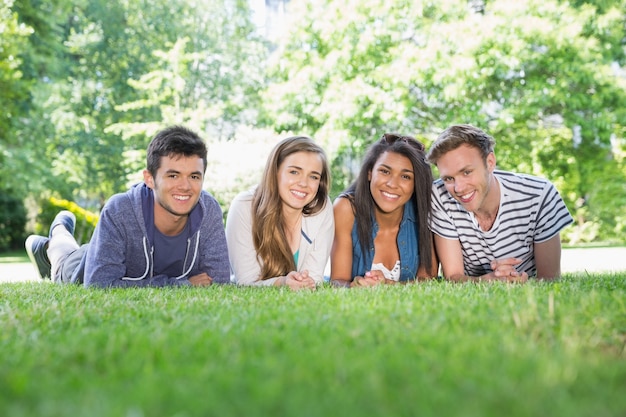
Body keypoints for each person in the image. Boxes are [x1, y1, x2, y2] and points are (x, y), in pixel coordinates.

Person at [25, 125, 231, 288]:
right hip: (84, 262)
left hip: (112, 254)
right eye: (173, 175)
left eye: (194, 176)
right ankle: (54, 237)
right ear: (149, 179)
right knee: (63, 259)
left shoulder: (208, 210)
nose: (185, 186)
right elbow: (99, 285)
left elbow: (218, 281)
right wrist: (180, 285)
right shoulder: (120, 210)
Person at [425, 124, 574, 282]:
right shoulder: (440, 195)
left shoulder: (540, 195)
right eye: (448, 178)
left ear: (490, 162)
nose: (458, 188)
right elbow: (454, 277)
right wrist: (490, 280)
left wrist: (520, 281)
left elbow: (550, 280)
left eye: (466, 172)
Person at [225, 135, 334, 290]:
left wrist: (303, 283)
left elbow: (313, 279)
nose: (304, 183)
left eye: (313, 176)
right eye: (294, 172)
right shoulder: (243, 206)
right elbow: (246, 282)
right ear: (275, 172)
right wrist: (282, 283)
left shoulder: (321, 206)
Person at [330, 133, 438, 287]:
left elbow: (427, 280)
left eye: (406, 177)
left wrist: (388, 284)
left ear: (416, 184)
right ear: (369, 173)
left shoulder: (426, 211)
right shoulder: (346, 208)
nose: (392, 184)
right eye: (385, 171)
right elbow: (338, 280)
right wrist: (353, 286)